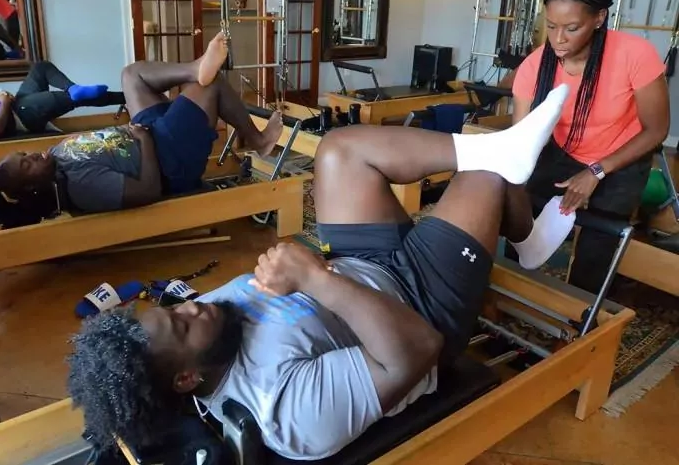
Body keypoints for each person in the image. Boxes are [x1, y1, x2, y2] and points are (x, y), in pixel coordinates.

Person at [65, 83, 571, 459]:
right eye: (181, 325)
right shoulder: (285, 410)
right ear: (186, 378)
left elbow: (286, 285)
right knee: (486, 176)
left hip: (361, 265)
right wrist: (315, 278)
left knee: (338, 151)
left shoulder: (209, 326)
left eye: (174, 309)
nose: (193, 306)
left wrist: (309, 272)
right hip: (419, 307)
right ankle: (517, 211)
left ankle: (514, 200)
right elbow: (417, 349)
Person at [502, 0, 670, 293]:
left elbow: (656, 129)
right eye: (551, 26)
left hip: (622, 158)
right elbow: (522, 138)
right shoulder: (535, 65)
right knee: (521, 216)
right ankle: (511, 293)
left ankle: (580, 312)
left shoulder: (635, 55)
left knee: (597, 247)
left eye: (571, 28)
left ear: (599, 18)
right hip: (563, 150)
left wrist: (596, 171)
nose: (558, 39)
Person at [0, 32, 283, 214]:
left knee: (131, 74)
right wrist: (142, 141)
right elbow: (148, 191)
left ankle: (196, 68)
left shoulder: (56, 155)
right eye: (27, 164)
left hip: (147, 132)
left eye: (24, 154)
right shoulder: (81, 185)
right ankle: (258, 141)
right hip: (168, 159)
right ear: (32, 186)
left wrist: (138, 132)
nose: (32, 155)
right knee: (211, 86)